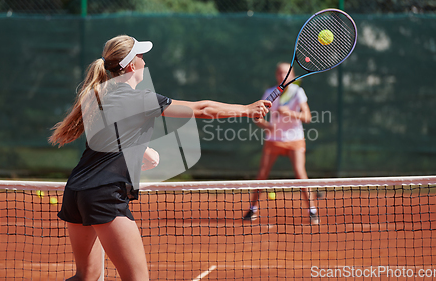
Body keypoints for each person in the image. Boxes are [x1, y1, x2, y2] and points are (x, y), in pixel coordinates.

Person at [48, 35, 271, 281]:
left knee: (86, 277)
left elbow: (111, 134)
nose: (145, 62)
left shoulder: (98, 94)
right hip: (104, 194)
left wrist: (140, 151)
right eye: (141, 57)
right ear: (131, 65)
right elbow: (201, 109)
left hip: (77, 191)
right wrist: (246, 109)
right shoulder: (139, 98)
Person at [243, 62, 320, 224]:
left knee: (300, 173)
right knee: (262, 175)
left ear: (292, 76)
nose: (282, 75)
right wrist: (266, 125)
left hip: (295, 139)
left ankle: (312, 211)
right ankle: (252, 209)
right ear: (276, 75)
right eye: (279, 73)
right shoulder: (270, 92)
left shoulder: (298, 92)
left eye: (286, 72)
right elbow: (258, 117)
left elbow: (307, 117)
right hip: (273, 140)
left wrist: (291, 113)